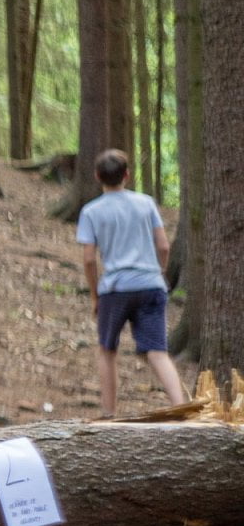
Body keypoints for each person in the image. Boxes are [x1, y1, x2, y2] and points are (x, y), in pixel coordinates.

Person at [76, 148, 187, 417]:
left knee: (107, 349)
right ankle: (182, 408)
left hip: (115, 289)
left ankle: (108, 413)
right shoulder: (146, 203)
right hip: (150, 284)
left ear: (96, 176)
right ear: (127, 175)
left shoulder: (91, 211)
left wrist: (95, 296)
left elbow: (89, 259)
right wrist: (157, 272)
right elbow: (163, 245)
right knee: (158, 352)